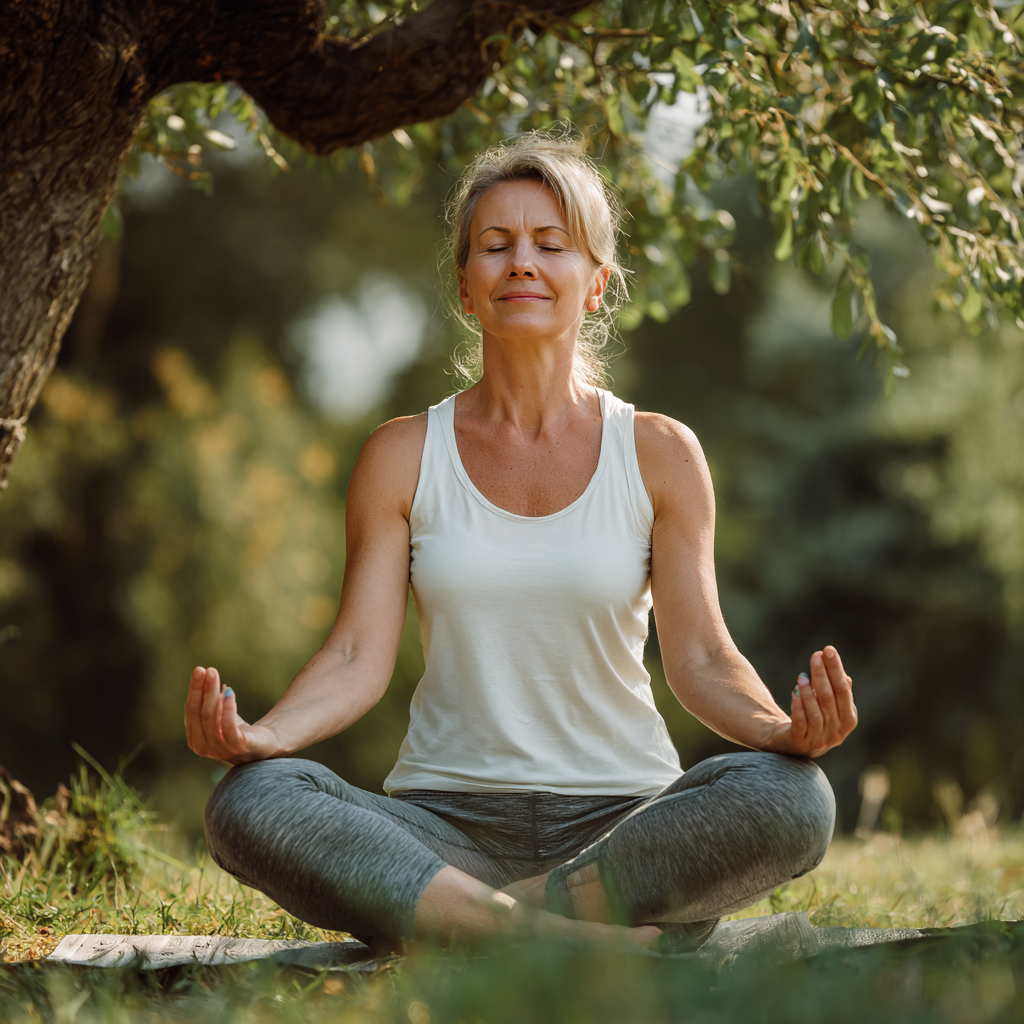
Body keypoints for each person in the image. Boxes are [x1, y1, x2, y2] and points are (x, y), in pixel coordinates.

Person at [184, 132, 857, 952]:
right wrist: (267, 738)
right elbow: (357, 655)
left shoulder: (660, 454)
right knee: (251, 801)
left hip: (625, 837)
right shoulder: (400, 455)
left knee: (797, 798)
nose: (522, 263)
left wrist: (781, 735)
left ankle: (469, 927)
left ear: (597, 284)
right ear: (467, 288)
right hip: (443, 833)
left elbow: (703, 662)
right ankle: (585, 946)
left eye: (552, 244)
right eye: (495, 246)